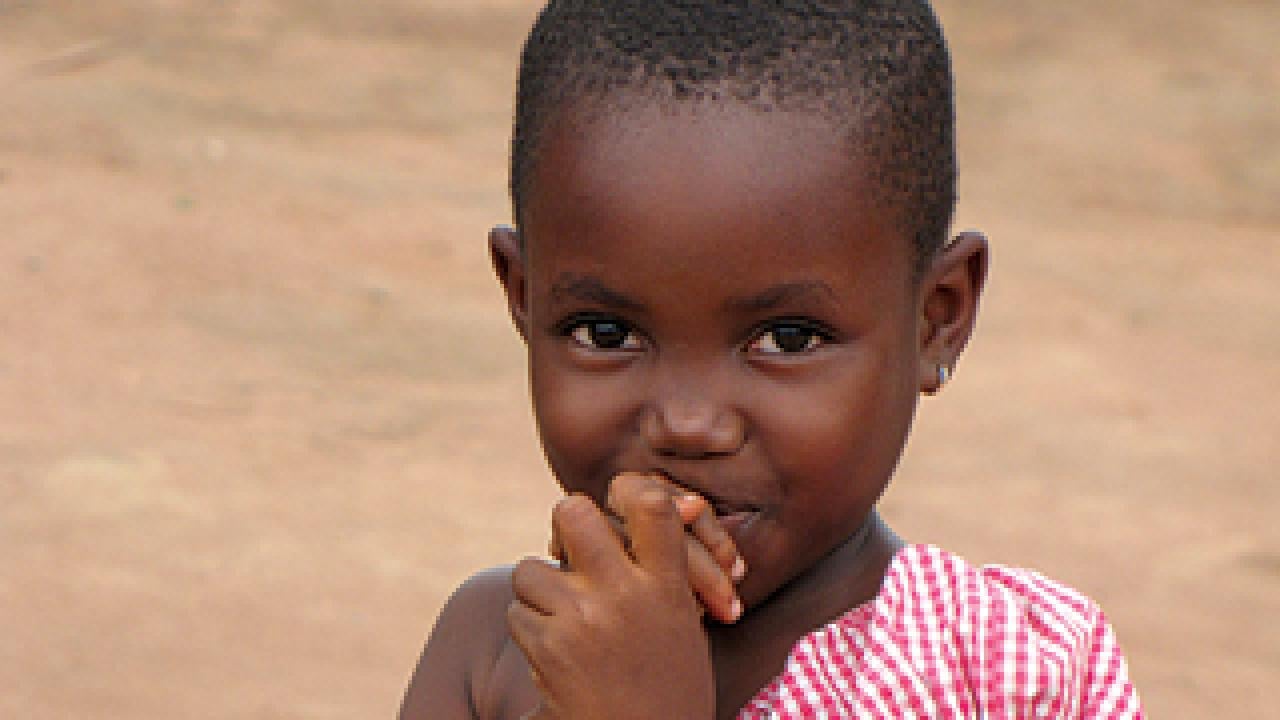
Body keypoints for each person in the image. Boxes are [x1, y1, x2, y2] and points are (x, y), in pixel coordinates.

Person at [399, 1, 1144, 718]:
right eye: (605, 332)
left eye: (787, 339)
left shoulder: (1012, 673)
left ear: (936, 318)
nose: (688, 424)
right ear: (524, 300)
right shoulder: (498, 651)